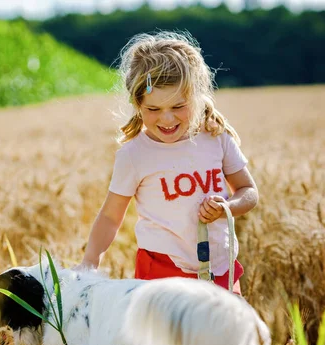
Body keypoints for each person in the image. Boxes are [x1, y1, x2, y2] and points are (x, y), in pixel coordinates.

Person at [79, 31, 258, 295]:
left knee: (226, 335)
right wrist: (89, 262)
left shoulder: (215, 138)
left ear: (197, 97)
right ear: (137, 104)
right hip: (161, 274)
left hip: (220, 269)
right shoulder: (134, 154)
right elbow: (109, 216)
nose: (167, 119)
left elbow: (249, 192)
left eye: (178, 106)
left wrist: (226, 208)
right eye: (153, 109)